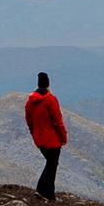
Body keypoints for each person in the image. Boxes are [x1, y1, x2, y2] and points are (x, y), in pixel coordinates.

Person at [23, 69, 68, 199]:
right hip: (52, 140)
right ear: (48, 85)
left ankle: (45, 192)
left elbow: (29, 121)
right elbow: (58, 120)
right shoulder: (50, 100)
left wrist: (34, 134)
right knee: (52, 165)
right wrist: (63, 137)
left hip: (39, 139)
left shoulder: (30, 102)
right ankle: (45, 192)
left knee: (51, 163)